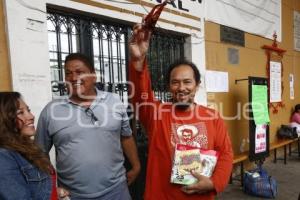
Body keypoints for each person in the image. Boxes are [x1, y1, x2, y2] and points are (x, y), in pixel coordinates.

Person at [129, 23, 233, 200]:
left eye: (187, 82)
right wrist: (138, 63)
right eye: (175, 82)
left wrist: (214, 183)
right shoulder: (157, 114)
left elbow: (226, 153)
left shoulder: (212, 117)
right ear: (169, 87)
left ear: (197, 85)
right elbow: (140, 97)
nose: (181, 87)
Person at [35, 53, 140, 200]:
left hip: (117, 191)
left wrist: (136, 166)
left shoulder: (114, 101)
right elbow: (39, 153)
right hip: (73, 195)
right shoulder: (51, 110)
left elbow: (126, 136)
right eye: (68, 73)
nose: (73, 78)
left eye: (79, 72)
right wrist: (50, 186)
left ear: (94, 76)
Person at [0, 92, 55, 199]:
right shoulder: (3, 157)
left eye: (28, 110)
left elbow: (36, 188)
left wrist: (56, 193)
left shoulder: (26, 147)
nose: (31, 116)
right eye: (21, 112)